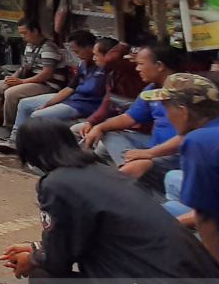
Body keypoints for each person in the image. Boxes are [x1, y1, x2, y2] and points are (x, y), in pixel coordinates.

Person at [0, 118, 219, 284]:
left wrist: (34, 259)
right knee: (99, 267)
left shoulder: (56, 184)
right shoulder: (105, 173)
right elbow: (90, 241)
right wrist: (36, 248)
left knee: (43, 278)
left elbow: (58, 260)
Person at [145, 72, 219, 279]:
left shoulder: (200, 141)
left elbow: (206, 217)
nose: (166, 115)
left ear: (183, 111)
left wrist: (217, 272)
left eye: (167, 108)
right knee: (167, 207)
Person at [78, 44, 182, 188]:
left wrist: (150, 154)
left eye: (140, 64)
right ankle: (131, 167)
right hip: (151, 147)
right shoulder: (151, 89)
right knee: (109, 132)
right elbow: (129, 118)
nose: (137, 68)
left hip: (175, 154)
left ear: (159, 65)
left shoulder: (185, 92)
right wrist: (99, 127)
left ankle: (131, 172)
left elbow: (188, 136)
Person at [0, 31, 107, 155]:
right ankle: (15, 141)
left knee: (37, 115)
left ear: (90, 48)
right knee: (25, 104)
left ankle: (34, 149)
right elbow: (69, 89)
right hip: (72, 99)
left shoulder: (104, 68)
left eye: (78, 51)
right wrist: (49, 103)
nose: (77, 55)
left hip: (85, 105)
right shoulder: (83, 65)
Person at [0, 17, 65, 134]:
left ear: (35, 31)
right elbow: (25, 67)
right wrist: (13, 78)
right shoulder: (29, 46)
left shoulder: (49, 47)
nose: (23, 36)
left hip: (47, 84)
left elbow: (46, 73)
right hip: (31, 81)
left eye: (25, 33)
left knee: (11, 93)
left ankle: (11, 127)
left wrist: (22, 82)